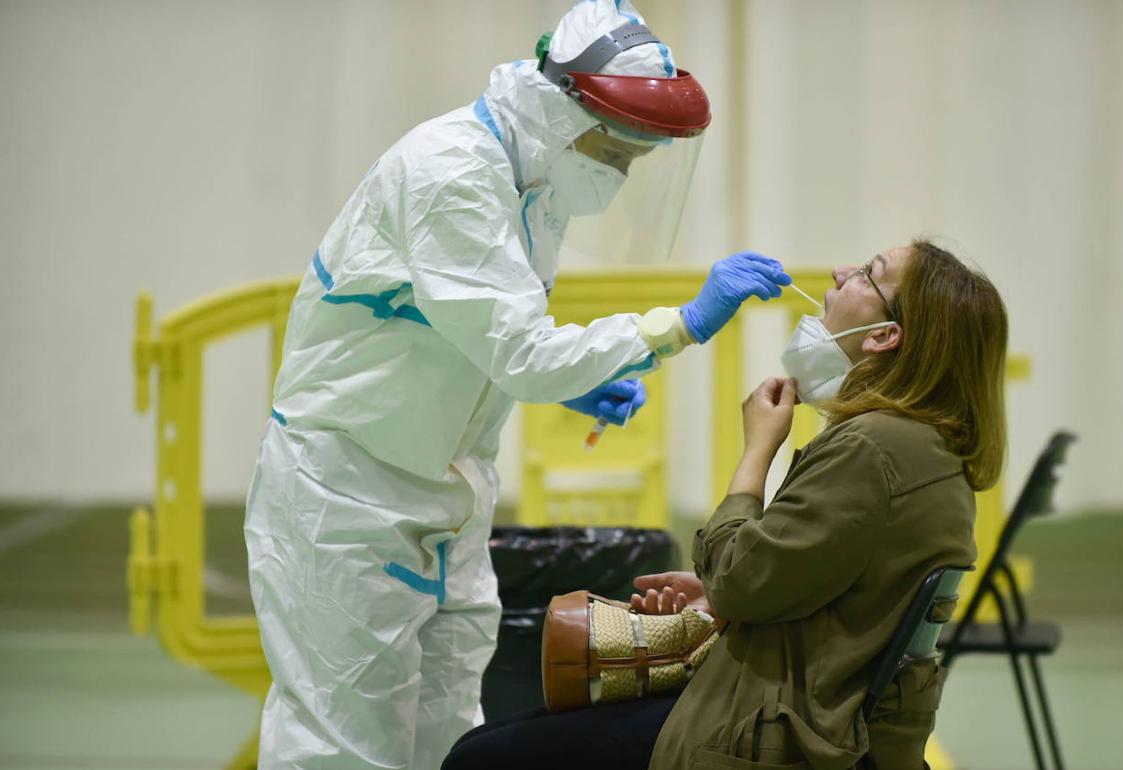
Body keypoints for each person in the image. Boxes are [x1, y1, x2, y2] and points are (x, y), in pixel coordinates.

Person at [242, 1, 791, 768]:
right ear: (564, 110)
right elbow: (522, 348)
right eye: (620, 151)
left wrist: (570, 381)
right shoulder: (453, 173)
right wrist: (684, 323)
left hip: (445, 494)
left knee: (447, 735)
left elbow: (466, 325)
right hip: (350, 498)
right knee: (342, 745)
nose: (622, 173)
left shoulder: (530, 181)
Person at [441, 239, 1010, 770]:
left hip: (774, 730)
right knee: (487, 745)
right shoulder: (923, 447)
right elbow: (804, 582)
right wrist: (716, 594)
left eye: (867, 274)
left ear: (885, 336)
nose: (840, 273)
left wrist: (757, 451)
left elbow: (742, 578)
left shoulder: (873, 447)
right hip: (819, 716)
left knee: (477, 759)